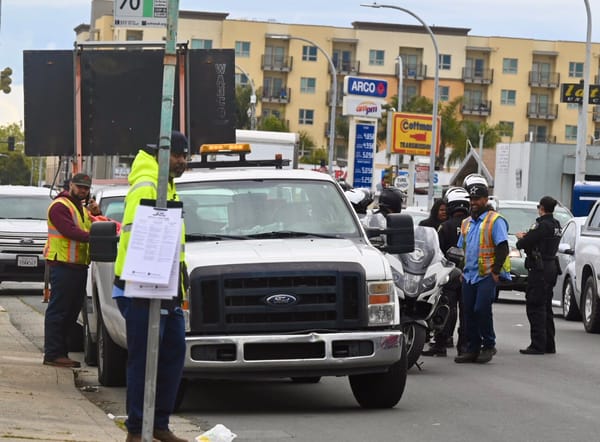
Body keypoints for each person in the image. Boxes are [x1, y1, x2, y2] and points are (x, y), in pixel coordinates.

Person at [113, 131, 189, 442]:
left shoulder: (165, 183)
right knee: (144, 359)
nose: (182, 161)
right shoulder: (148, 182)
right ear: (161, 153)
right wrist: (145, 282)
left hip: (167, 288)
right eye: (177, 155)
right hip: (141, 286)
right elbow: (138, 238)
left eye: (185, 156)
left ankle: (158, 424)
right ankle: (136, 429)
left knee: (172, 353)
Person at [43, 173, 102, 368]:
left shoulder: (81, 209)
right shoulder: (60, 206)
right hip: (63, 266)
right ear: (70, 185)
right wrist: (94, 237)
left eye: (86, 188)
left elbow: (98, 224)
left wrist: (97, 211)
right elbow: (70, 231)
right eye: (79, 187)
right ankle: (52, 354)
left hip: (77, 267)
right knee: (59, 311)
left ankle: (61, 353)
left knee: (71, 312)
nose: (83, 191)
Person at [455, 174, 511, 364]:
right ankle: (472, 348)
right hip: (469, 276)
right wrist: (461, 270)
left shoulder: (495, 220)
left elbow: (503, 247)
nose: (474, 203)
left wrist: (495, 271)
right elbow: (461, 249)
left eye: (477, 199)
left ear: (486, 200)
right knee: (468, 312)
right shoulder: (466, 223)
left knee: (481, 309)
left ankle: (488, 345)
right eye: (471, 199)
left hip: (486, 275)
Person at [422, 187, 470, 357]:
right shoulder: (473, 224)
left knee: (445, 308)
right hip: (469, 275)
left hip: (450, 274)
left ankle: (441, 343)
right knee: (466, 312)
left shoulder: (446, 226)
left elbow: (437, 252)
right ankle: (464, 347)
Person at [515, 196, 562, 355]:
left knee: (535, 306)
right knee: (546, 306)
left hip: (539, 268)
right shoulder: (556, 225)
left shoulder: (541, 225)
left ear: (541, 207)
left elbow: (523, 243)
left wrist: (522, 237)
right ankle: (549, 343)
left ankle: (538, 344)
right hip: (551, 267)